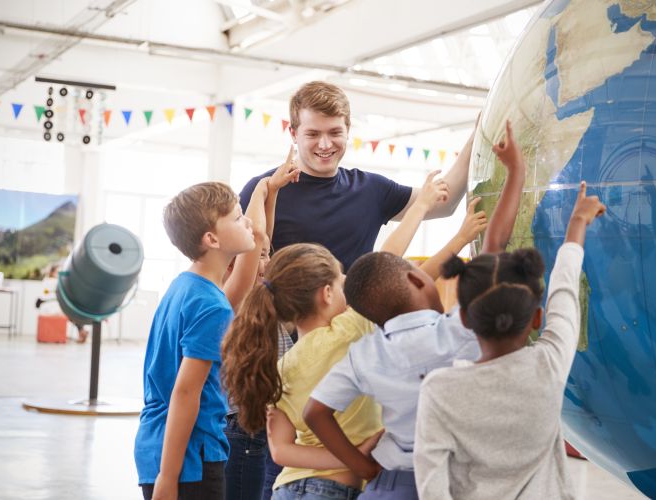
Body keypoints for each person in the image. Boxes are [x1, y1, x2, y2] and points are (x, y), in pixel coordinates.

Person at [301, 121, 526, 499]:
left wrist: (363, 467)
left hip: (388, 483)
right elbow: (496, 246)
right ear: (421, 281)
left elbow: (314, 412)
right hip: (452, 482)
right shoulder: (459, 328)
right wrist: (516, 171)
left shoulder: (364, 352)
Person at [221, 172, 458, 500]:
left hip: (287, 488)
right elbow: (389, 269)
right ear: (327, 294)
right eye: (345, 279)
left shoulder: (281, 366)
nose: (355, 284)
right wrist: (422, 208)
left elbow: (281, 451)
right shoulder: (351, 331)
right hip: (334, 489)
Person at [413, 182, 605, 500]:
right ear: (536, 320)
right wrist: (577, 224)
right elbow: (564, 292)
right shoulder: (547, 365)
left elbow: (432, 486)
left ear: (464, 319)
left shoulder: (439, 389)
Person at [238, 80, 478, 271]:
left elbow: (444, 203)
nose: (325, 144)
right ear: (293, 133)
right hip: (280, 330)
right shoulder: (264, 190)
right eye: (313, 134)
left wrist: (478, 135)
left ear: (348, 130)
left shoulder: (371, 189)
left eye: (334, 132)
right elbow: (235, 267)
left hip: (354, 328)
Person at [134, 181, 256, 500]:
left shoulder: (184, 286)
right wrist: (168, 476)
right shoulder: (211, 306)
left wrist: (267, 192)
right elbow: (187, 392)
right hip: (189, 460)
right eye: (237, 217)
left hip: (156, 443)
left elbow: (249, 263)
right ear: (211, 238)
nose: (248, 223)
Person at [222, 149, 301, 500]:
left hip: (265, 424)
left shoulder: (267, 296)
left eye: (267, 256)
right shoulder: (237, 300)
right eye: (260, 257)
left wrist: (274, 193)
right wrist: (260, 190)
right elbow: (256, 238)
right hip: (244, 429)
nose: (266, 262)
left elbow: (264, 238)